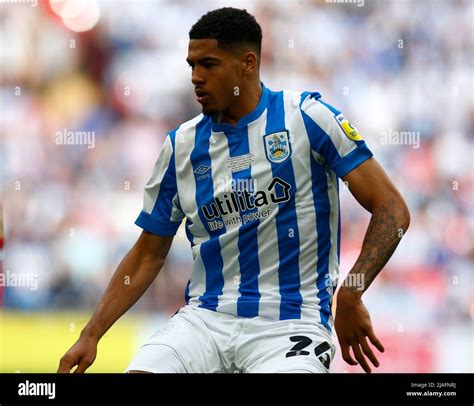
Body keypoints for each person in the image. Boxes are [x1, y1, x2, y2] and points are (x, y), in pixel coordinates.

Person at [58, 7, 410, 374]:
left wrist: (352, 290)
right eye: (192, 65)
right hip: (205, 322)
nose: (196, 77)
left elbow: (392, 208)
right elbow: (148, 253)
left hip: (290, 324)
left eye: (208, 64)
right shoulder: (181, 146)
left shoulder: (308, 118)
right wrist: (92, 333)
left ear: (247, 63)